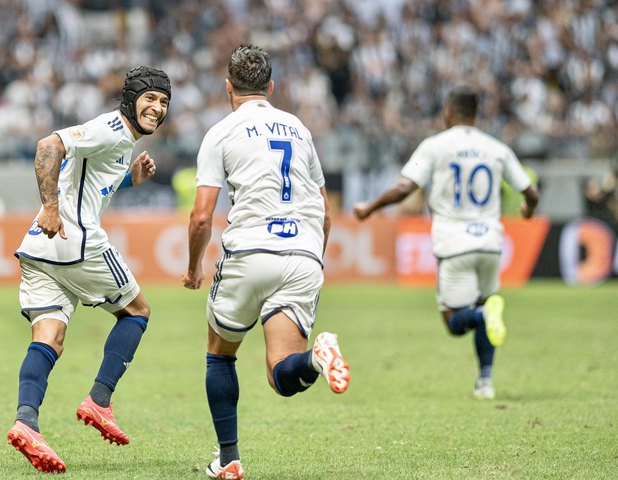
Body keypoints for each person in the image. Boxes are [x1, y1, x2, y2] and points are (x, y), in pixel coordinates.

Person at [182, 44, 351, 480]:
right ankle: (316, 358)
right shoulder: (298, 128)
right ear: (271, 87)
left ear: (227, 88)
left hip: (250, 252)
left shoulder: (221, 131)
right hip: (302, 256)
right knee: (283, 375)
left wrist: (193, 267)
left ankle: (229, 459)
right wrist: (315, 259)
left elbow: (202, 216)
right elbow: (325, 211)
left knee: (220, 355)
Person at [7, 66, 171, 473]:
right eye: (149, 98)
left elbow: (90, 181)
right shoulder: (112, 129)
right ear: (131, 98)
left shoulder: (121, 142)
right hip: (75, 241)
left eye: (164, 101)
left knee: (50, 335)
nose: (157, 107)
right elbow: (49, 145)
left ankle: (26, 422)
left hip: (40, 249)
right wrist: (49, 206)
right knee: (137, 311)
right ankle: (99, 400)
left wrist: (130, 180)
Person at [354, 87, 539, 400]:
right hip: (492, 243)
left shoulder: (435, 146)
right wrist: (527, 211)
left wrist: (369, 208)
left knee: (455, 321)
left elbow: (404, 187)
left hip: (455, 243)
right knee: (486, 306)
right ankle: (485, 381)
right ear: (475, 114)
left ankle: (482, 319)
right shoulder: (496, 148)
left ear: (449, 111)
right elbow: (531, 193)